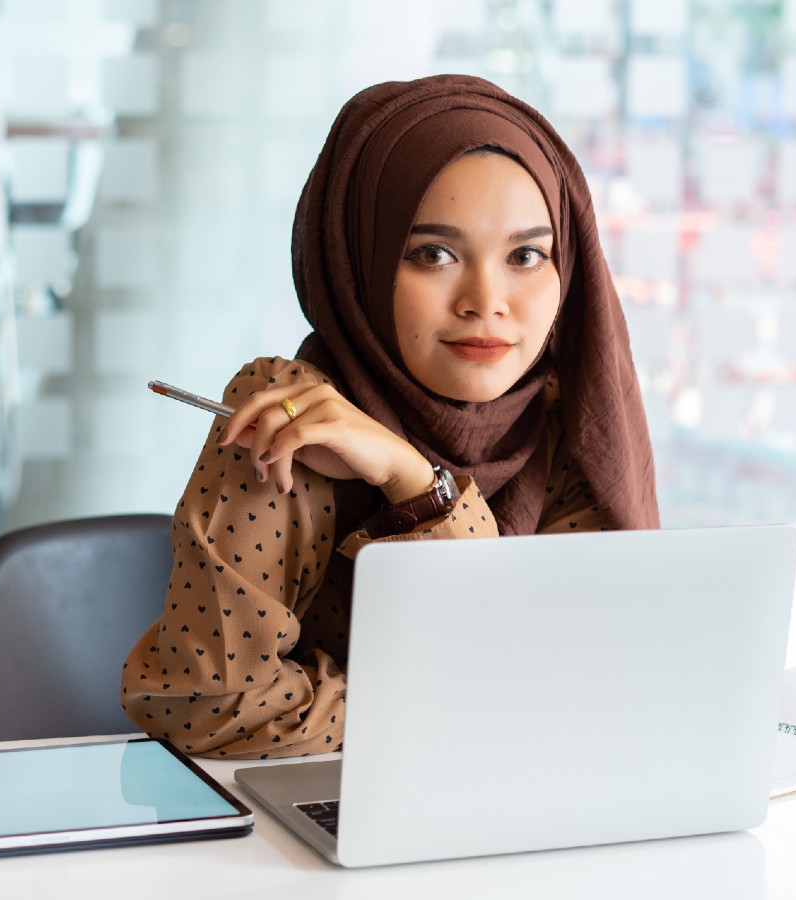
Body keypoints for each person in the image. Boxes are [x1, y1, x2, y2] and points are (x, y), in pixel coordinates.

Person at [119, 74, 659, 760]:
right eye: (433, 253)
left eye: (527, 255)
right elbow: (212, 705)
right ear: (358, 262)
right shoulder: (291, 416)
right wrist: (472, 703)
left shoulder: (574, 425)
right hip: (303, 839)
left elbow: (601, 687)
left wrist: (410, 476)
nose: (486, 300)